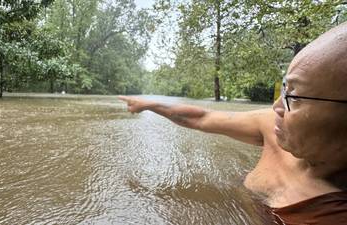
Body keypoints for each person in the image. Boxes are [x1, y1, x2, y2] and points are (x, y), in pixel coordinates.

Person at [119, 22, 347, 224]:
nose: (276, 107)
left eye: (295, 97)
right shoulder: (272, 126)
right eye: (286, 87)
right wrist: (149, 105)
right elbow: (202, 118)